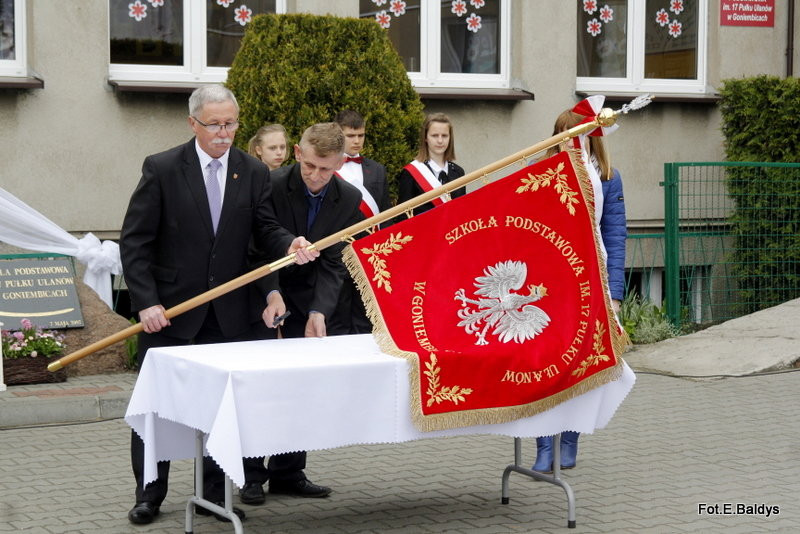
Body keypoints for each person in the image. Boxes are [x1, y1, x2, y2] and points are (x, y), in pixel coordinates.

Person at [120, 84, 320, 525]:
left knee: (219, 411)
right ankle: (149, 495)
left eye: (231, 123)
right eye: (215, 124)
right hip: (170, 315)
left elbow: (263, 233)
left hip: (227, 314)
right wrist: (146, 302)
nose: (224, 133)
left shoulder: (251, 171)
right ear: (193, 123)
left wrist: (291, 246)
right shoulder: (163, 168)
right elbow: (135, 243)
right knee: (156, 410)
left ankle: (214, 497)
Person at [239, 122, 363, 501]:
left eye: (326, 169)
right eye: (309, 166)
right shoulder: (271, 185)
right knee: (262, 389)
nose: (315, 176)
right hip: (265, 294)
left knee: (300, 390)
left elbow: (334, 263)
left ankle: (289, 472)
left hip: (311, 297)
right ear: (297, 152)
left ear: (341, 163)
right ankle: (251, 476)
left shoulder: (347, 197)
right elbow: (255, 248)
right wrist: (271, 293)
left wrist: (318, 311)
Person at [532, 108, 627, 473]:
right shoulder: (540, 176)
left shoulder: (607, 178)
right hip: (547, 285)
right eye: (562, 133)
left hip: (592, 281)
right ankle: (543, 443)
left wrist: (614, 292)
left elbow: (615, 236)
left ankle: (569, 440)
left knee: (582, 363)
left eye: (576, 134)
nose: (569, 141)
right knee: (542, 362)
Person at [328, 109, 390, 335]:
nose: (357, 141)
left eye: (361, 135)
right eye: (350, 135)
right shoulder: (327, 169)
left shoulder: (377, 169)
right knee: (337, 320)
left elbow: (386, 213)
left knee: (367, 320)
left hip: (369, 254)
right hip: (337, 255)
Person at [396, 112, 466, 216]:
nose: (440, 140)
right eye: (434, 135)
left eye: (445, 135)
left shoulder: (458, 172)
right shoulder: (411, 173)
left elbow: (462, 211)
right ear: (425, 138)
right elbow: (403, 216)